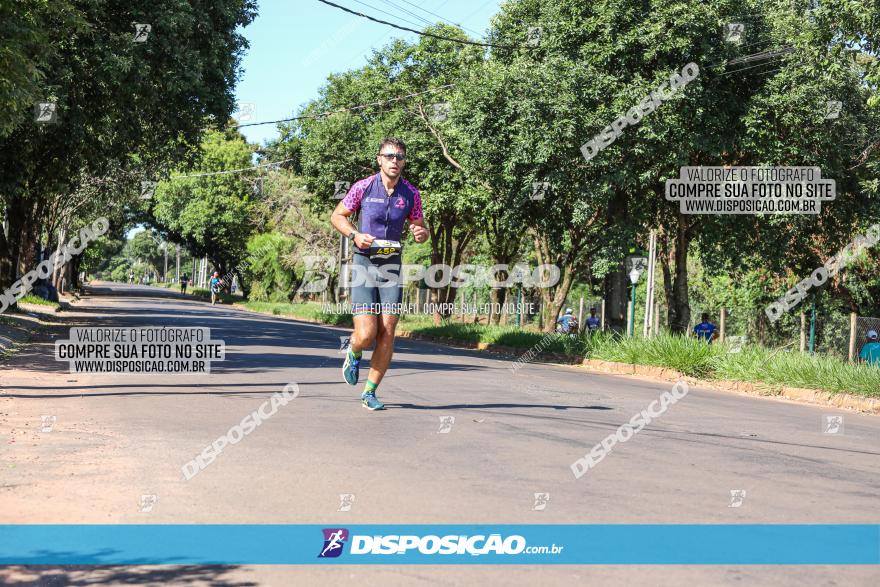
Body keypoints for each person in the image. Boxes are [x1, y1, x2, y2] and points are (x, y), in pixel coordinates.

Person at [330, 137, 428, 411]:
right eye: (389, 156)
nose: (394, 161)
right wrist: (355, 234)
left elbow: (419, 228)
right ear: (379, 160)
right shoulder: (363, 187)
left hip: (392, 267)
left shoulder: (411, 194)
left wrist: (421, 233)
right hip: (364, 264)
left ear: (404, 161)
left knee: (388, 331)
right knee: (367, 333)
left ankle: (370, 392)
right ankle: (354, 351)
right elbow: (338, 216)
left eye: (399, 157)